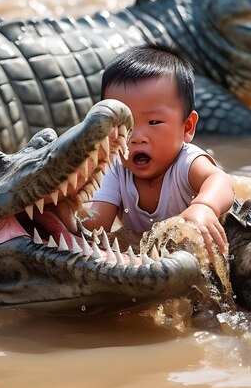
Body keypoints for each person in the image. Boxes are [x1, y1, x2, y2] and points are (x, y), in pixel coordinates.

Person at [83, 43, 235, 254]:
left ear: (187, 127)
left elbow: (221, 181)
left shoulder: (186, 162)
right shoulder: (116, 168)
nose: (136, 137)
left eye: (154, 122)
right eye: (122, 125)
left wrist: (205, 207)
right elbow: (95, 227)